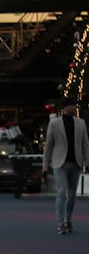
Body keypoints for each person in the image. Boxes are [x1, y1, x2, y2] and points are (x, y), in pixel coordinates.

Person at [42, 96, 89, 235]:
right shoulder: (54, 124)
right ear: (64, 108)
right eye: (71, 105)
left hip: (76, 161)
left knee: (72, 195)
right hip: (59, 162)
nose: (74, 107)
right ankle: (60, 222)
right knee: (61, 192)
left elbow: (85, 143)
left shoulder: (81, 123)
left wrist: (87, 160)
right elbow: (49, 145)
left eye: (74, 105)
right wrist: (45, 164)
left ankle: (68, 219)